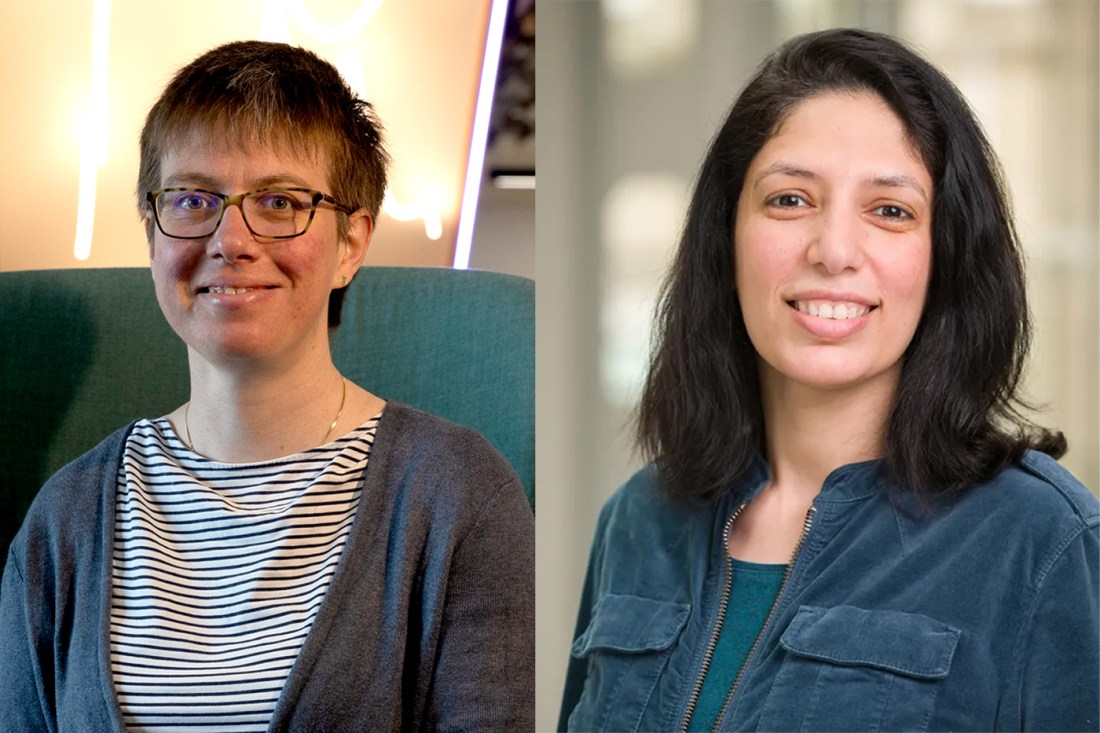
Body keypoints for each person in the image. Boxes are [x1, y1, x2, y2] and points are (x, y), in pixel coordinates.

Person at [559, 28, 1097, 733]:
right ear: (726, 236)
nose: (834, 250)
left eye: (891, 211)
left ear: (946, 255)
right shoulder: (637, 518)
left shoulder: (1043, 541)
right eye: (790, 199)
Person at [0, 41, 534, 732]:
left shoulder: (461, 498)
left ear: (351, 244)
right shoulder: (64, 518)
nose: (231, 239)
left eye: (280, 202)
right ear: (153, 236)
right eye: (193, 199)